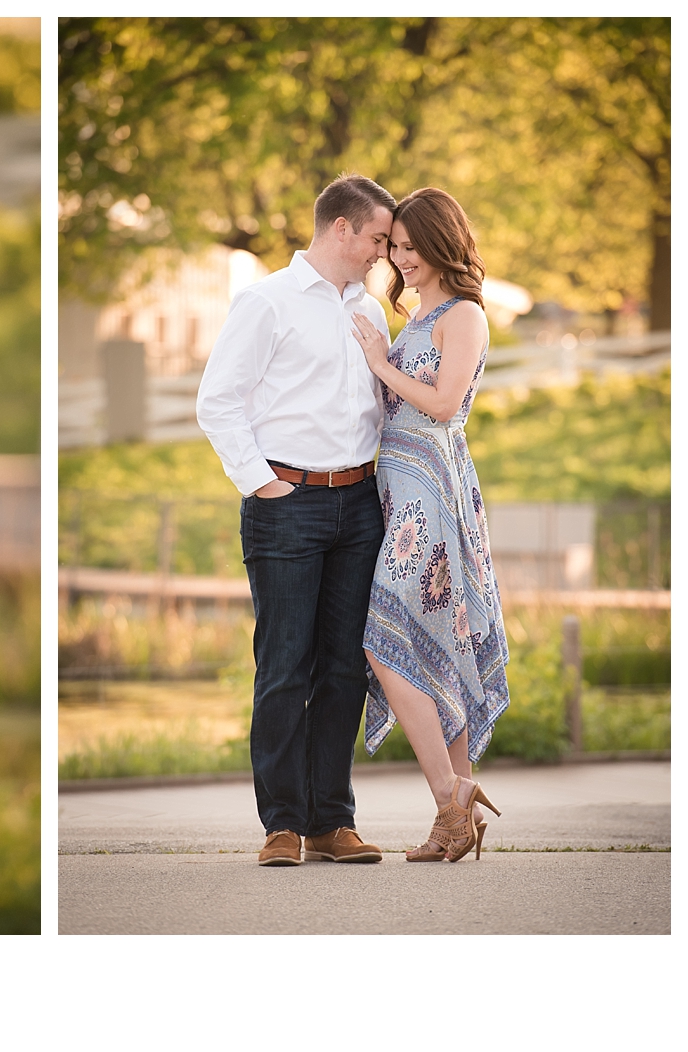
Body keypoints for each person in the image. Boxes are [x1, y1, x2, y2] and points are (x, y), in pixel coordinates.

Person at [196, 173, 396, 867]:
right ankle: (281, 824)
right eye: (376, 237)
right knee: (284, 665)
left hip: (359, 504)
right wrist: (263, 485)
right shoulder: (265, 303)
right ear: (341, 228)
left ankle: (330, 822)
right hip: (288, 504)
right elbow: (217, 401)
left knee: (343, 668)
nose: (383, 251)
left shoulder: (372, 310)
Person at [350, 187, 507, 862]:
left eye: (412, 247)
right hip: (396, 493)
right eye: (396, 247)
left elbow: (444, 404)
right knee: (429, 645)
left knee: (384, 643)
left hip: (431, 499)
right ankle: (454, 811)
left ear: (442, 245)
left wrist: (382, 363)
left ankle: (451, 797)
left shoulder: (464, 315)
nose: (401, 259)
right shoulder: (418, 315)